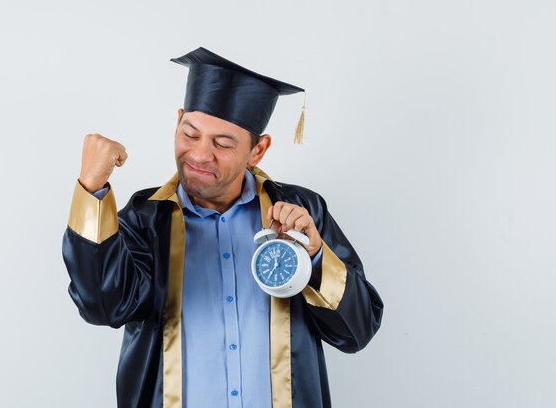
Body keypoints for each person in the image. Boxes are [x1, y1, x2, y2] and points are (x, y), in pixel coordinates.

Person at [62, 47, 383, 408]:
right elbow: (104, 307)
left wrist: (316, 257)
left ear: (258, 150)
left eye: (223, 143)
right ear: (178, 120)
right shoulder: (145, 218)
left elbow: (358, 332)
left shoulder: (303, 213)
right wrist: (91, 190)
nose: (200, 155)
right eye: (191, 134)